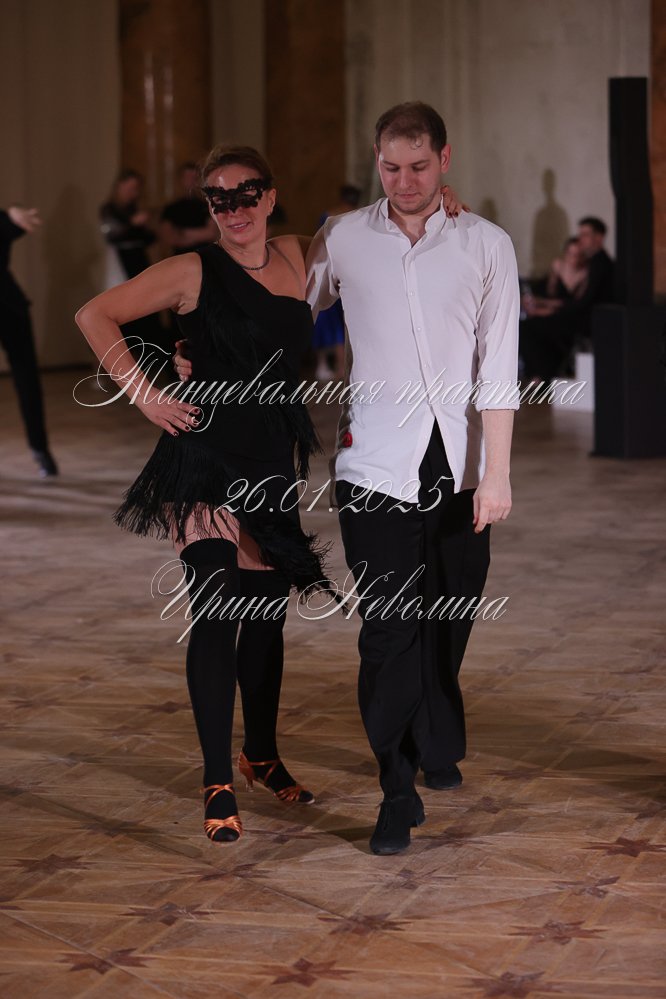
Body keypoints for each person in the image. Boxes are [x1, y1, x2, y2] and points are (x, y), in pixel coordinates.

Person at [77, 145, 333, 845]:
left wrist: (448, 206)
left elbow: (377, 231)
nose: (235, 208)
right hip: (204, 456)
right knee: (217, 610)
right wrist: (147, 395)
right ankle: (217, 777)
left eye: (248, 193)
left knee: (266, 618)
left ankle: (261, 754)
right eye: (219, 198)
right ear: (208, 208)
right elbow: (95, 315)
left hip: (272, 457)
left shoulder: (301, 255)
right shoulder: (191, 269)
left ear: (271, 196)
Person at [306, 101, 519, 854]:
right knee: (388, 629)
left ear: (445, 159)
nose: (404, 181)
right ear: (376, 160)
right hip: (372, 462)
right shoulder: (342, 237)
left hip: (459, 466)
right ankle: (395, 787)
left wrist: (497, 476)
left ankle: (435, 736)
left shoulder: (486, 243)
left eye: (419, 166)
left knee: (450, 614)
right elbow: (280, 309)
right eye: (391, 167)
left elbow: (499, 368)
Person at [0, 204, 58, 477]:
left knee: (27, 379)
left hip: (8, 305)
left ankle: (40, 449)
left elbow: (8, 226)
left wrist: (10, 215)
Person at [520, 216, 613, 383]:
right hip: (578, 317)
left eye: (585, 234)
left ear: (599, 237)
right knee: (534, 328)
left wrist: (547, 309)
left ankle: (542, 377)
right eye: (580, 234)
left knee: (529, 328)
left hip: (586, 322)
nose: (581, 239)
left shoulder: (599, 264)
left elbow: (583, 303)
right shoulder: (595, 263)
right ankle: (541, 376)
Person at [99, 170, 164, 353]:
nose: (132, 193)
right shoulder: (109, 209)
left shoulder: (137, 208)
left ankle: (150, 353)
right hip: (120, 260)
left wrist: (147, 226)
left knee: (146, 303)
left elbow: (149, 238)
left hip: (139, 258)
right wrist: (133, 224)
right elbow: (112, 234)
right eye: (129, 188)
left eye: (135, 189)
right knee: (123, 304)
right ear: (119, 187)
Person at [312, 185, 362, 381]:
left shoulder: (329, 216)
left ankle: (326, 364)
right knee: (342, 320)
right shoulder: (357, 218)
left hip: (329, 269)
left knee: (327, 317)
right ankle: (340, 366)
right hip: (346, 270)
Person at [522, 236, 588, 318]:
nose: (573, 259)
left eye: (577, 255)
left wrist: (543, 303)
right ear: (565, 253)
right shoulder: (558, 266)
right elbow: (550, 291)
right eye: (570, 254)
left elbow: (577, 303)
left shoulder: (584, 273)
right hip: (549, 304)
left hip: (567, 312)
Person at [160, 162, 218, 254]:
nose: (190, 182)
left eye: (194, 178)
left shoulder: (207, 205)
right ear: (180, 180)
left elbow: (211, 234)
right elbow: (168, 237)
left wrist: (185, 233)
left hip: (204, 255)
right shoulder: (171, 209)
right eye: (187, 178)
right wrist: (199, 234)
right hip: (180, 256)